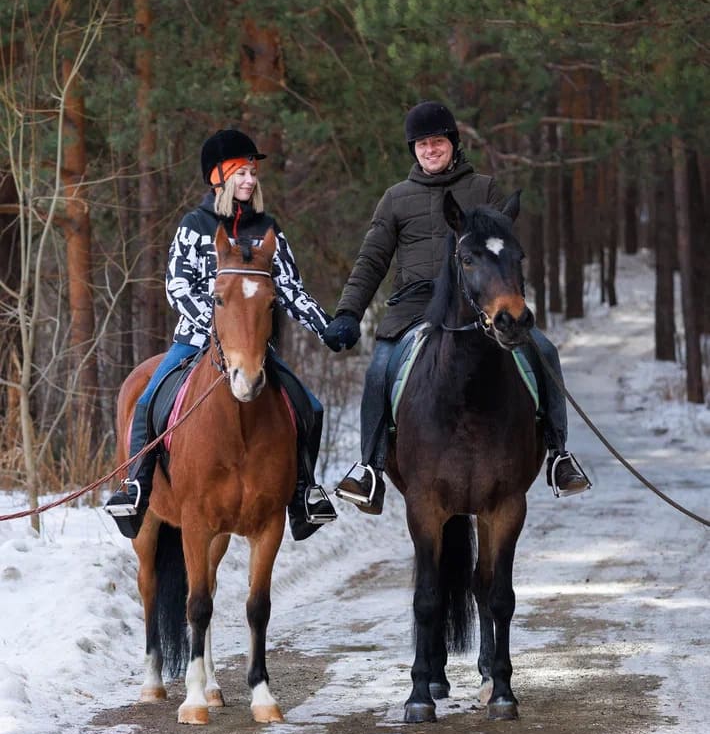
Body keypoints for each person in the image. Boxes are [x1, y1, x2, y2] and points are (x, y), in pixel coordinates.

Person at [322, 100, 591, 514]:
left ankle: (559, 455)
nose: (430, 150)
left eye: (438, 141)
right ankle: (370, 468)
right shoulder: (395, 199)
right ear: (413, 150)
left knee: (546, 352)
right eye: (422, 144)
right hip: (413, 308)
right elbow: (371, 261)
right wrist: (347, 313)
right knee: (378, 371)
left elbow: (503, 253)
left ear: (453, 143)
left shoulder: (483, 189)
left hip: (480, 307)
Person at [105, 128, 338, 541]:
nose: (250, 180)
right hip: (194, 343)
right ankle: (137, 487)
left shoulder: (268, 229)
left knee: (310, 407)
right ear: (218, 177)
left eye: (252, 173)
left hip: (252, 348)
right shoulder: (195, 225)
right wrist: (215, 327)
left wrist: (326, 325)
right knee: (145, 402)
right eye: (240, 172)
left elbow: (290, 289)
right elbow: (177, 285)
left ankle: (304, 492)